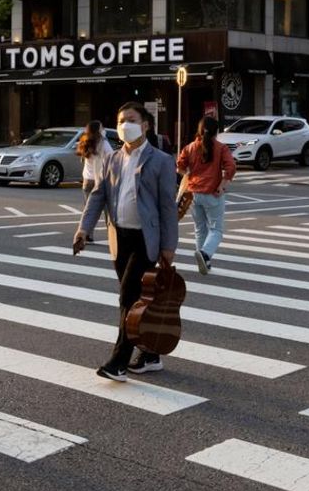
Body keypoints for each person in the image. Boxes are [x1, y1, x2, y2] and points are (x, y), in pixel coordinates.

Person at [71, 97, 180, 382]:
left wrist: (169, 246)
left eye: (131, 121)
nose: (125, 126)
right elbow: (98, 196)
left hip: (147, 239)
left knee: (128, 297)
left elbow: (168, 206)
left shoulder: (161, 161)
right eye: (121, 122)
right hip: (119, 237)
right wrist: (83, 229)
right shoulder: (113, 158)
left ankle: (118, 362)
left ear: (145, 125)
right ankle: (151, 353)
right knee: (138, 301)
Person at [176, 113, 236, 275]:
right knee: (216, 229)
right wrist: (222, 185)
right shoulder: (221, 148)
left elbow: (179, 165)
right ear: (216, 132)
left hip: (194, 193)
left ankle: (203, 261)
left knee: (200, 228)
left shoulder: (190, 147)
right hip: (213, 193)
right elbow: (231, 167)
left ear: (199, 130)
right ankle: (205, 254)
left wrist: (187, 176)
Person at [75, 117, 112, 198]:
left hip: (87, 179)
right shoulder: (103, 143)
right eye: (102, 128)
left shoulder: (85, 142)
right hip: (99, 180)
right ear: (98, 130)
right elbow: (112, 157)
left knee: (89, 208)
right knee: (103, 208)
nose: (103, 129)